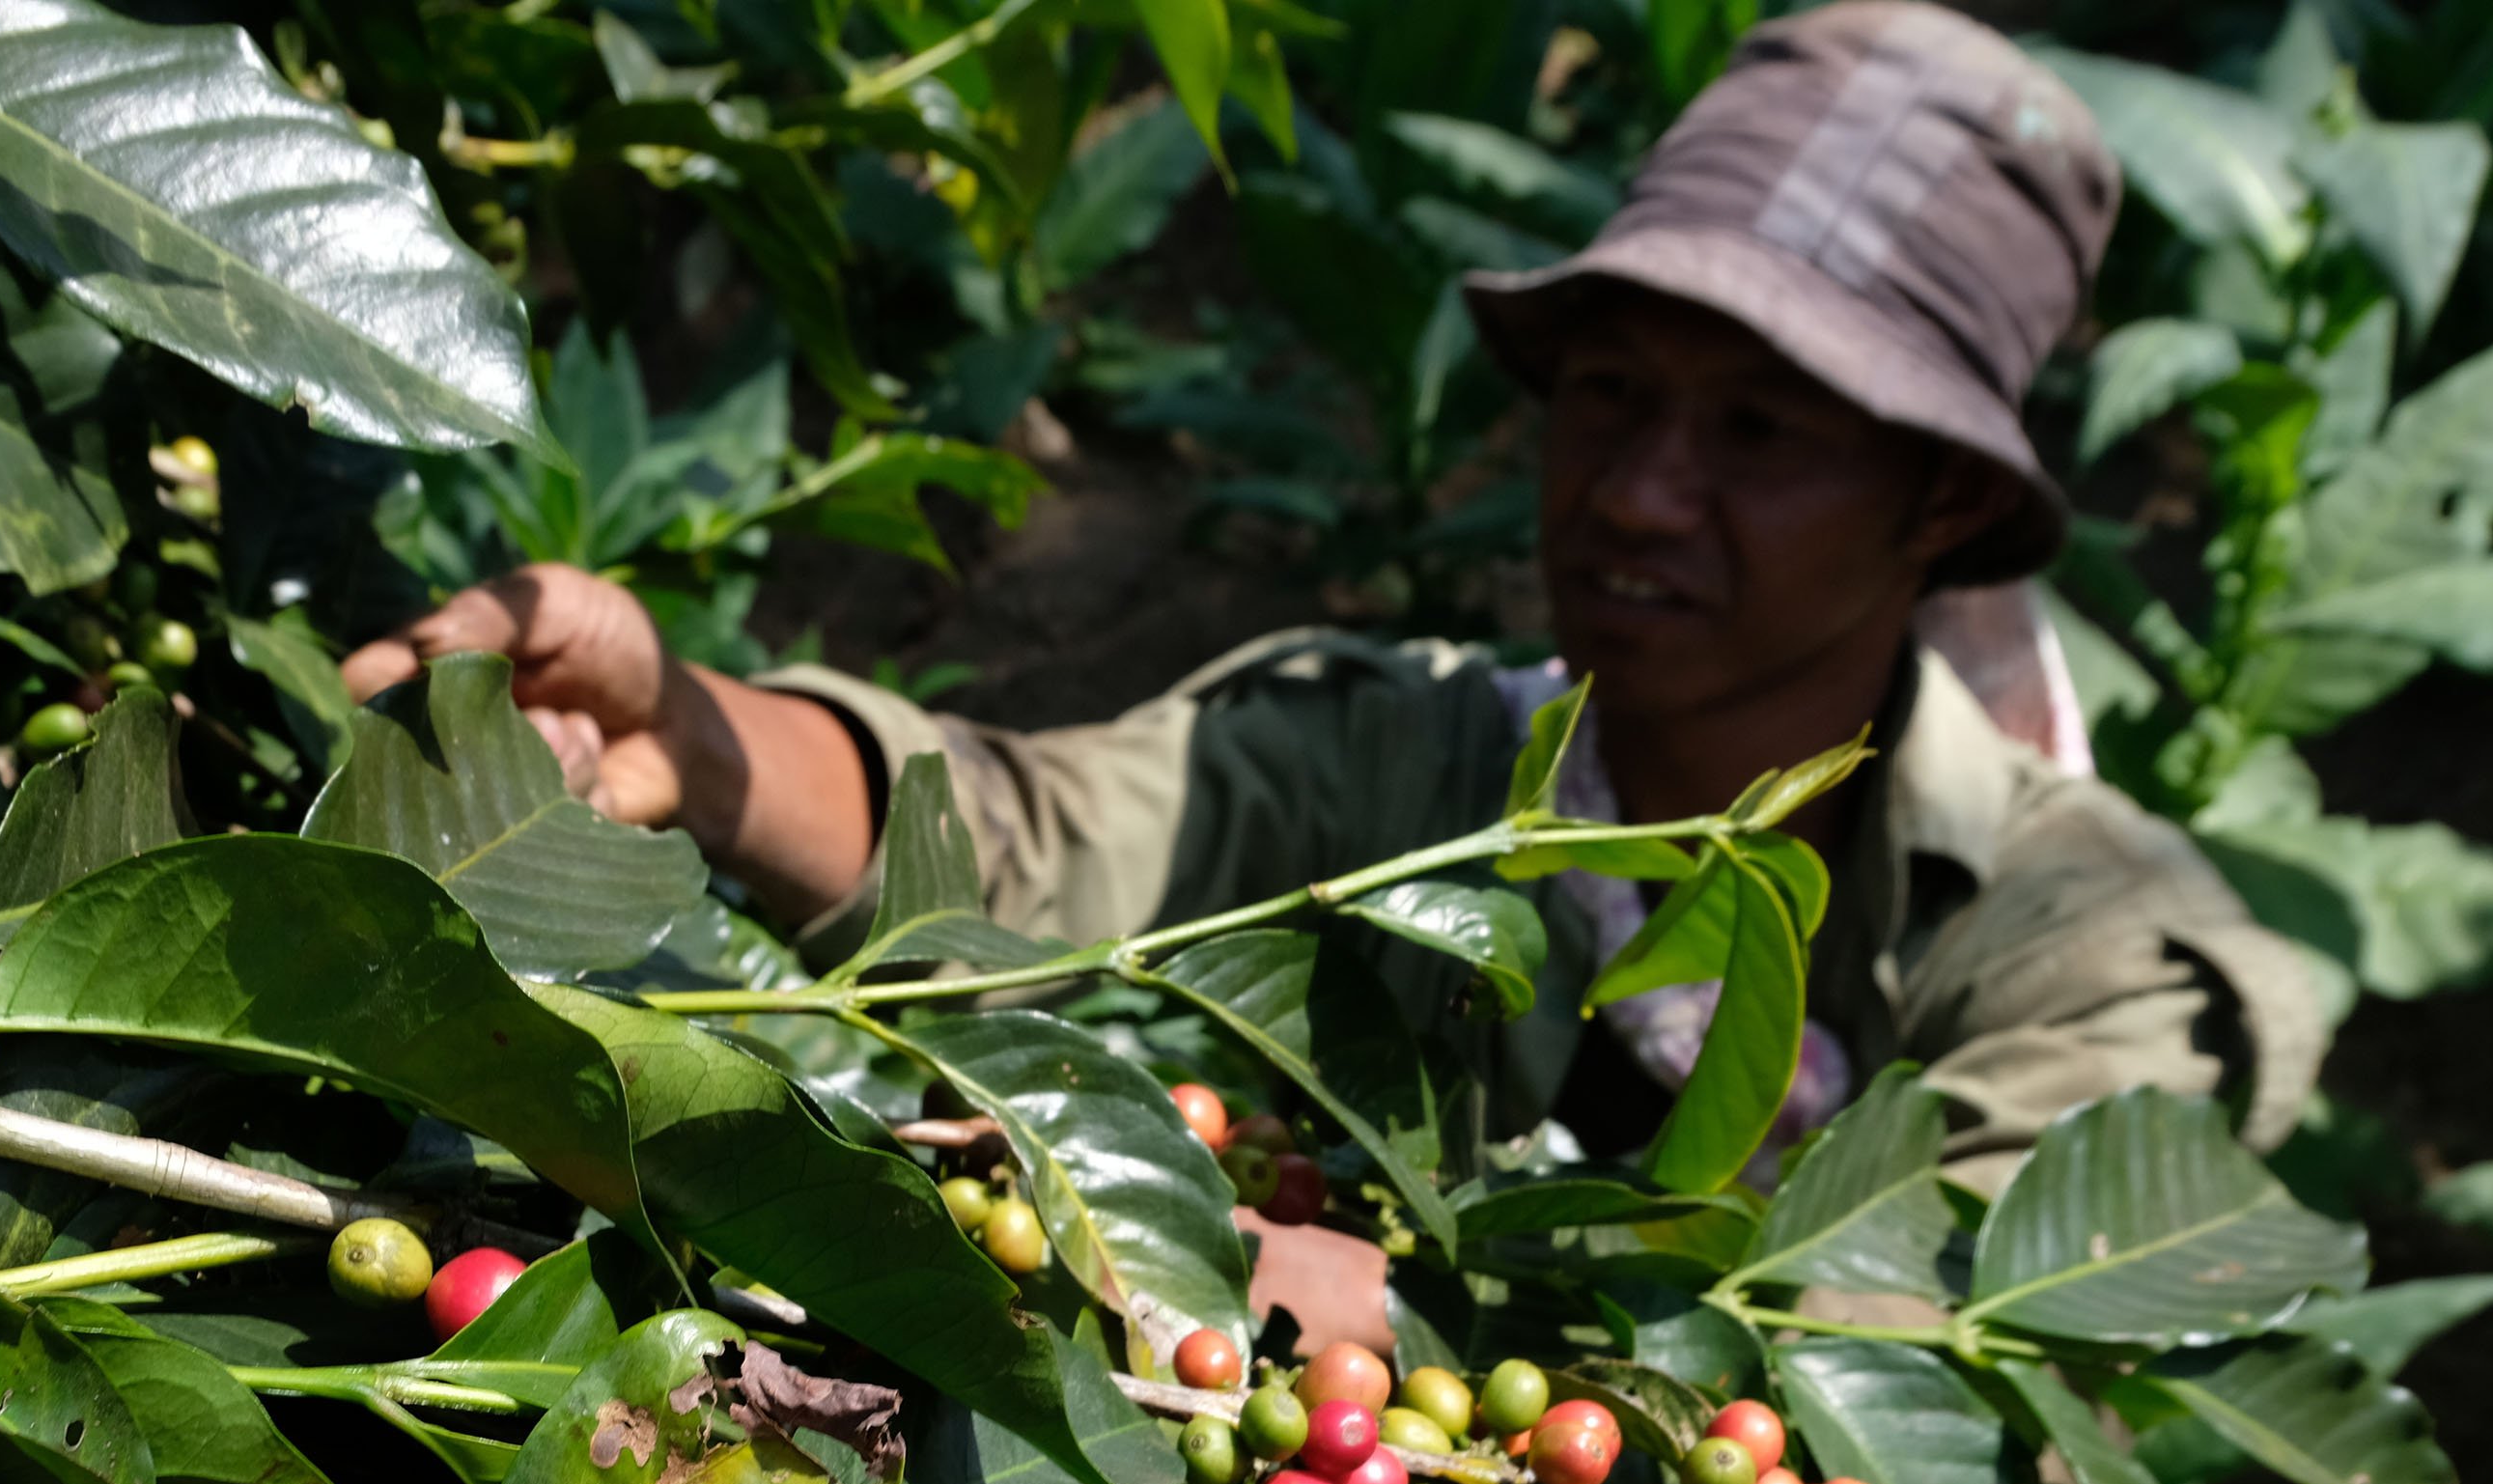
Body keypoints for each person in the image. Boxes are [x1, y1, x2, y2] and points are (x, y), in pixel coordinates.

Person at [342, 1, 2326, 1236]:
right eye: (1611, 396)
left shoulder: (2093, 956)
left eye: (1756, 430)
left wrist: (1414, 1328)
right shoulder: (1427, 764)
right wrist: (677, 734)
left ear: (1945, 501)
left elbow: (1882, 1358)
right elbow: (1024, 838)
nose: (1636, 485)